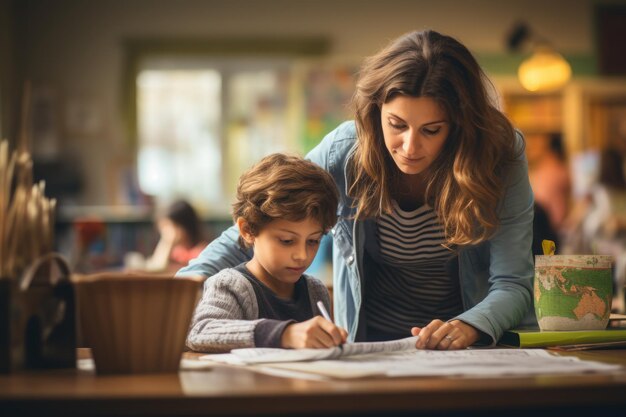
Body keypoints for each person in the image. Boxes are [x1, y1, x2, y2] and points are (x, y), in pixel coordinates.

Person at [179, 30, 534, 350]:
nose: (410, 146)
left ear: (459, 126)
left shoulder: (497, 153)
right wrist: (178, 291)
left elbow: (513, 283)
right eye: (396, 125)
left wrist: (469, 325)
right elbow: (259, 220)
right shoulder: (344, 150)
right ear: (376, 111)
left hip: (464, 350)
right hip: (371, 349)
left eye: (431, 130)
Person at [185, 153, 347, 353]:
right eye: (287, 241)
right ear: (248, 230)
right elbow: (200, 331)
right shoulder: (232, 285)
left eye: (313, 241)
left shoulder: (315, 291)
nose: (302, 255)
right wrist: (286, 334)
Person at [127, 200, 208, 273]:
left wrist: (167, 242)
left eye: (167, 227)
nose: (164, 233)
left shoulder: (200, 253)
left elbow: (158, 268)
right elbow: (154, 265)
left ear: (184, 227)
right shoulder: (176, 251)